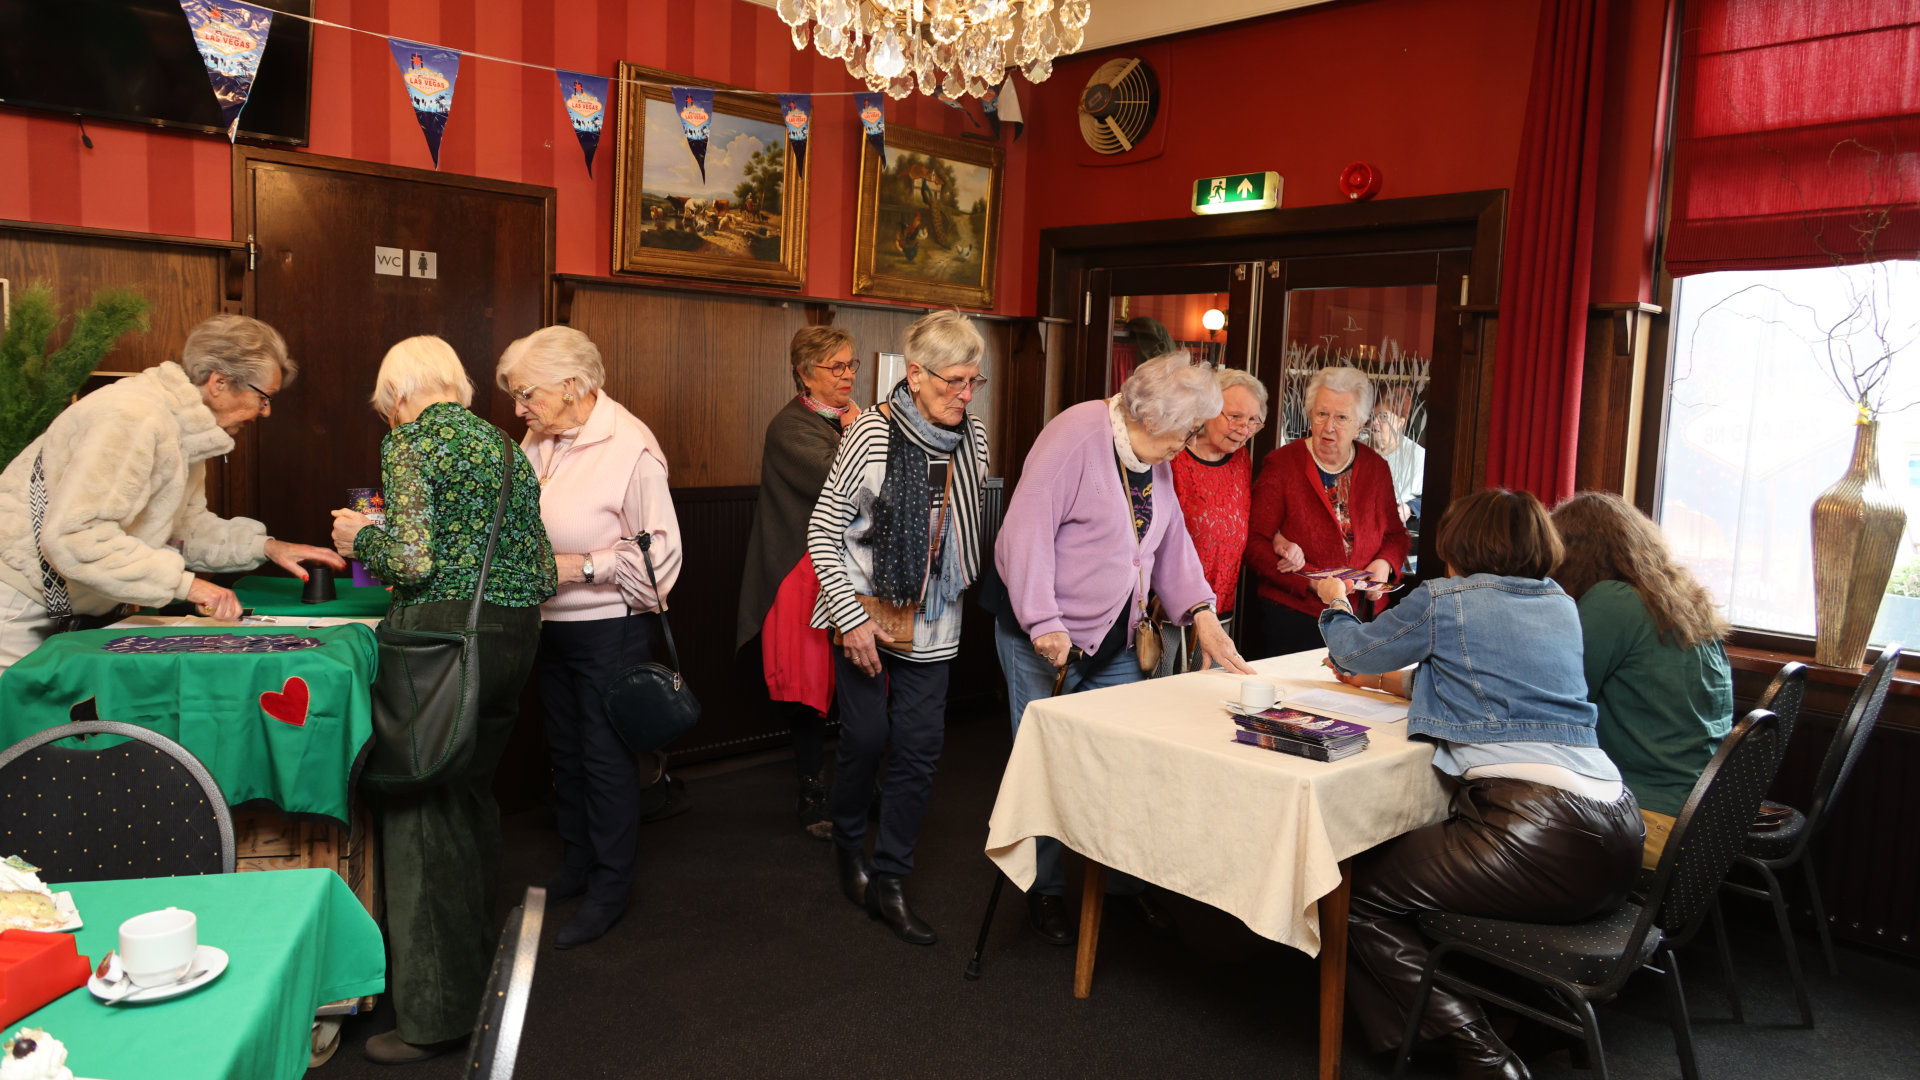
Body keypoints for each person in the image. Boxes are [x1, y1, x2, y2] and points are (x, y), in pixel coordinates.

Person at [1318, 489, 1642, 1080]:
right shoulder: (1560, 603)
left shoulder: (1447, 599)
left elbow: (1354, 650)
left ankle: (1478, 1051)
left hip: (1537, 830)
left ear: (1460, 545)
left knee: (1350, 891)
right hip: (1619, 827)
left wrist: (1336, 603)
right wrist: (1392, 685)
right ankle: (1529, 1020)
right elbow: (1486, 684)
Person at [329, 335, 555, 1065]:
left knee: (420, 810)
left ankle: (434, 1017)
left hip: (442, 642)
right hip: (514, 637)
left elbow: (413, 558)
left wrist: (361, 537)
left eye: (386, 408)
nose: (389, 419)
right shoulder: (505, 446)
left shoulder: (413, 441)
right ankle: (479, 975)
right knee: (469, 798)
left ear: (398, 395)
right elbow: (542, 570)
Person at [990, 352, 1256, 945]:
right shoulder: (1076, 435)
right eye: (1187, 430)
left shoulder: (1152, 455)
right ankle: (1045, 889)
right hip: (1048, 638)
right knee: (1046, 768)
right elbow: (1024, 533)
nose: (1189, 443)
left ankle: (1121, 885)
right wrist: (1043, 621)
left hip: (1117, 638)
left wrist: (1202, 613)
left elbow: (1170, 538)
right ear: (1153, 416)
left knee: (1124, 763)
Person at [0, 314, 343, 673]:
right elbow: (77, 536)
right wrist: (188, 586)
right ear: (219, 382)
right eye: (263, 397)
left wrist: (266, 547)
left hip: (81, 605)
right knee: (20, 711)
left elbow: (182, 529)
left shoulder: (184, 427)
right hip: (20, 603)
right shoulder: (133, 416)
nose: (266, 411)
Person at [496, 325, 683, 948]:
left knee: (605, 762)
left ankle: (611, 886)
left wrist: (581, 567)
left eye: (526, 394)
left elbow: (661, 559)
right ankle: (578, 864)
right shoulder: (540, 438)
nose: (518, 409)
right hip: (547, 627)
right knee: (567, 754)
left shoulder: (630, 447)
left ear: (572, 385)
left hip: (610, 630)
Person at [808, 311, 990, 946]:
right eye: (953, 381)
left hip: (935, 618)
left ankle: (890, 877)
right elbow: (823, 531)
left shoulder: (974, 438)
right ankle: (847, 842)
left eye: (973, 381)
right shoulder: (872, 435)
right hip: (865, 612)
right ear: (915, 375)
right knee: (865, 738)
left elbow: (967, 525)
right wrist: (851, 618)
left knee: (918, 748)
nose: (965, 395)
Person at [1551, 491, 1732, 870]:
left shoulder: (1613, 600)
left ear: (1573, 555)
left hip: (1651, 819)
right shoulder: (1680, 600)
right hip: (1704, 816)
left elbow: (1554, 701)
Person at [739, 326, 860, 840]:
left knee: (862, 680)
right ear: (805, 374)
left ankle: (860, 786)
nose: (848, 375)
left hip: (852, 570)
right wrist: (858, 433)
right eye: (837, 367)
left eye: (851, 365)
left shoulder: (853, 420)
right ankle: (811, 793)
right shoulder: (790, 425)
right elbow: (844, 482)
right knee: (808, 689)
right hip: (800, 570)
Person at [1246, 365, 1409, 658]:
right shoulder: (1282, 465)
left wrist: (1384, 564)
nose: (1329, 426)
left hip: (1363, 618)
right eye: (1322, 414)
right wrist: (1311, 584)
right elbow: (1255, 544)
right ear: (1310, 414)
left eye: (1342, 417)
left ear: (1360, 425)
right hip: (1296, 619)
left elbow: (1396, 536)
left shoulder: (1376, 468)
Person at [1166, 365, 1268, 669]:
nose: (1244, 429)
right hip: (1168, 610)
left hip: (1221, 603)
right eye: (1234, 417)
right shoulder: (1172, 454)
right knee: (1161, 687)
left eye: (1252, 421)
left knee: (1207, 687)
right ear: (1206, 409)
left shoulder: (1241, 458)